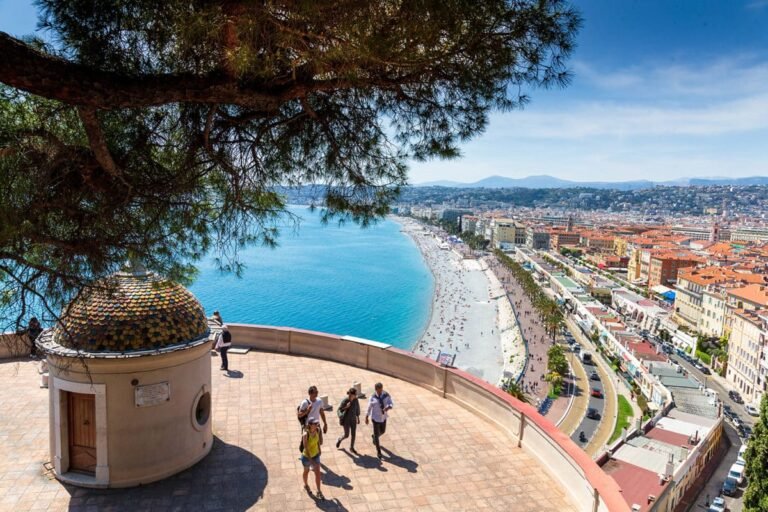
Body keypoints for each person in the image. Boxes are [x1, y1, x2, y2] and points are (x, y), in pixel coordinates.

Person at [365, 382, 394, 459]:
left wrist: (388, 407)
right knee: (377, 435)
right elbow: (369, 407)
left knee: (383, 431)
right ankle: (379, 452)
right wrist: (366, 416)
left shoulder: (386, 395)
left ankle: (374, 437)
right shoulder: (372, 397)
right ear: (376, 389)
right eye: (379, 390)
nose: (380, 392)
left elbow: (391, 403)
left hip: (383, 417)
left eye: (381, 390)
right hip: (375, 418)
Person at [301, 418, 324, 500]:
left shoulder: (317, 430)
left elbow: (317, 441)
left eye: (317, 423)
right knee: (306, 471)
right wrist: (311, 460)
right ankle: (306, 485)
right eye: (315, 423)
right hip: (307, 457)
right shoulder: (305, 434)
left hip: (316, 455)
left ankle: (319, 490)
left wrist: (319, 449)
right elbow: (306, 448)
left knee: (318, 473)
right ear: (310, 425)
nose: (317, 424)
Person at [336, 388, 360, 453]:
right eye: (351, 395)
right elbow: (339, 410)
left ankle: (351, 447)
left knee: (353, 434)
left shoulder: (356, 400)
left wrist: (358, 417)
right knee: (346, 435)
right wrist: (346, 407)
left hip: (353, 420)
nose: (352, 396)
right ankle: (340, 439)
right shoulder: (345, 401)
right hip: (346, 420)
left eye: (354, 395)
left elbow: (357, 408)